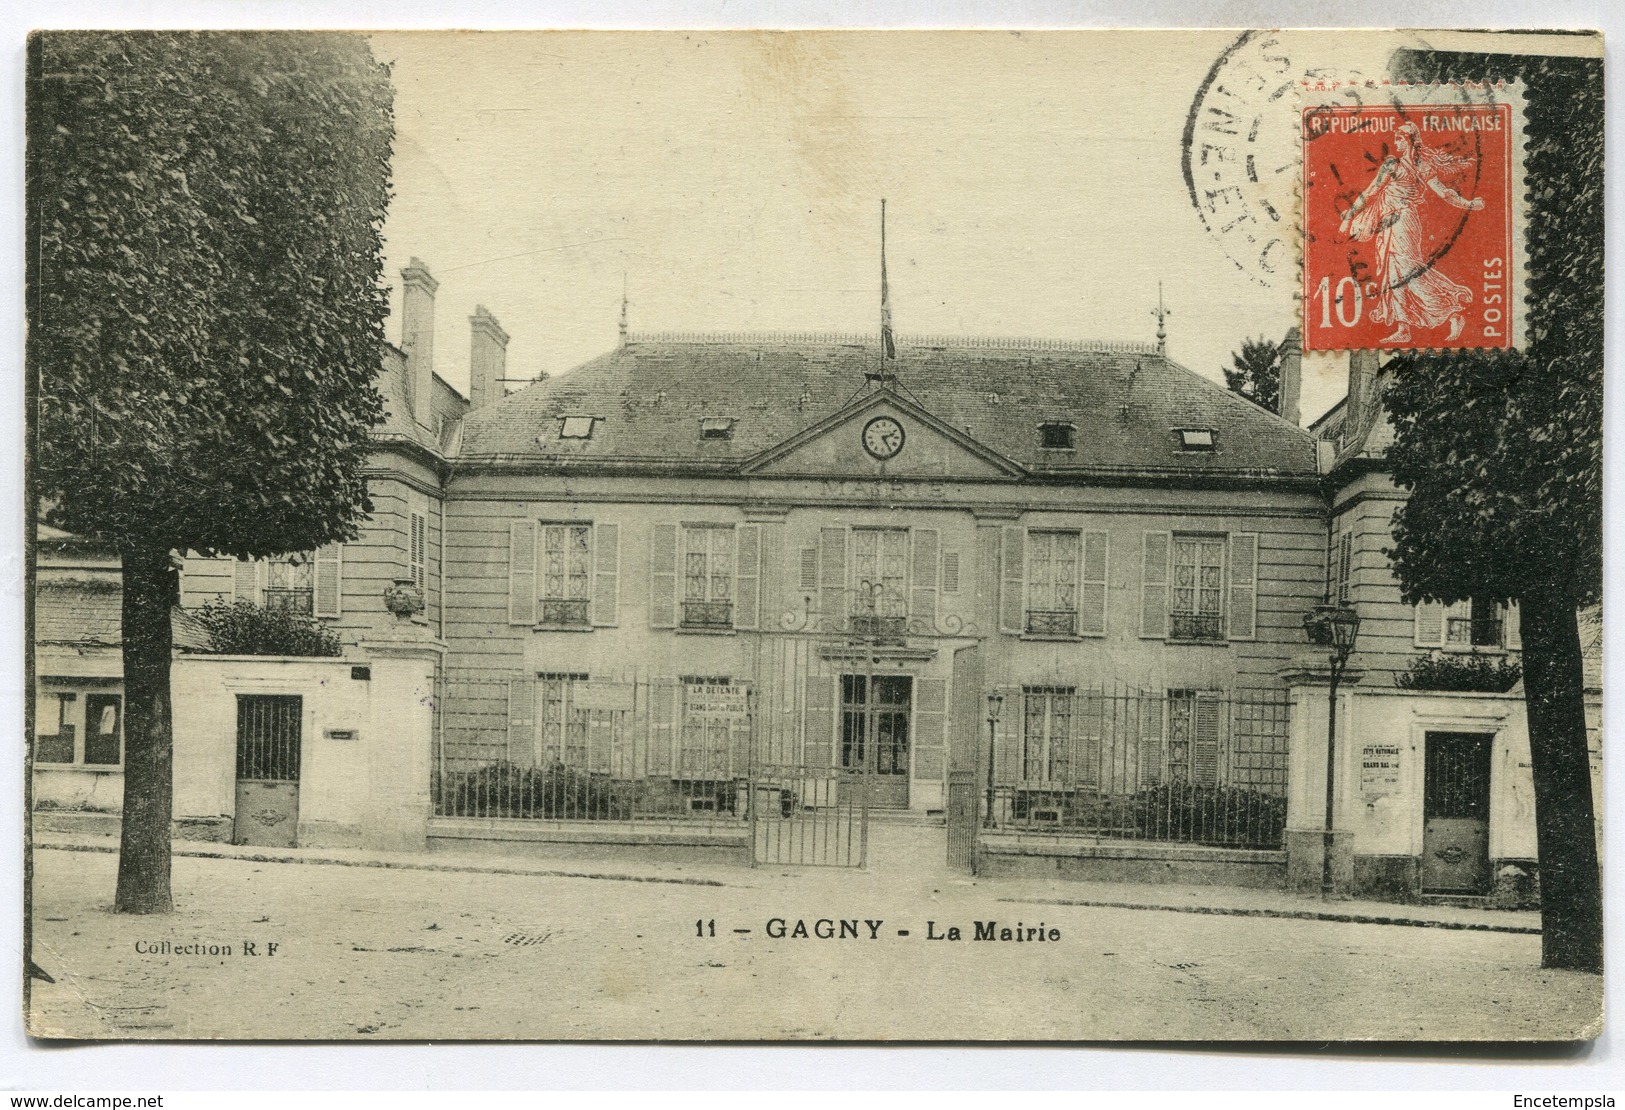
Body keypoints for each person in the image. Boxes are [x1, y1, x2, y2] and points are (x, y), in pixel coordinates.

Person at [1338, 122, 1486, 343]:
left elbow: (1370, 192)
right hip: (1395, 222)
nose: (1395, 142)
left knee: (1408, 271)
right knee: (1393, 272)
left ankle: (1452, 310)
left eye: (1398, 138)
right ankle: (1404, 328)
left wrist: (1349, 218)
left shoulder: (1394, 165)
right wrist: (1468, 204)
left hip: (1401, 221)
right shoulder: (1419, 167)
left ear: (1407, 140)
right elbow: (1445, 193)